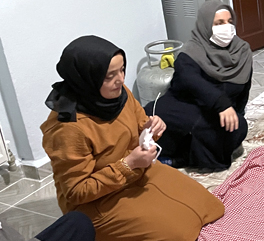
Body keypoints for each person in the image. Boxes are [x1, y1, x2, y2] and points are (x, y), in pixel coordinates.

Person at [41, 36, 224, 241]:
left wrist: (153, 128)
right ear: (86, 79)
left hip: (137, 173)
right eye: (109, 76)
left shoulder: (119, 94)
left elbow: (139, 124)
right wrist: (127, 165)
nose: (120, 79)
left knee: (208, 206)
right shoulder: (67, 129)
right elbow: (76, 192)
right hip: (99, 200)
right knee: (176, 234)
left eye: (122, 70)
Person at [145, 0, 251, 171]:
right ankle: (178, 157)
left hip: (217, 114)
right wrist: (221, 102)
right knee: (149, 117)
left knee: (236, 126)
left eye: (230, 21)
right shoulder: (191, 52)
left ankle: (181, 159)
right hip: (184, 104)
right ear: (205, 25)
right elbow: (191, 80)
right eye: (219, 23)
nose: (227, 27)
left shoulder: (242, 51)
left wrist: (236, 112)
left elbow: (243, 91)